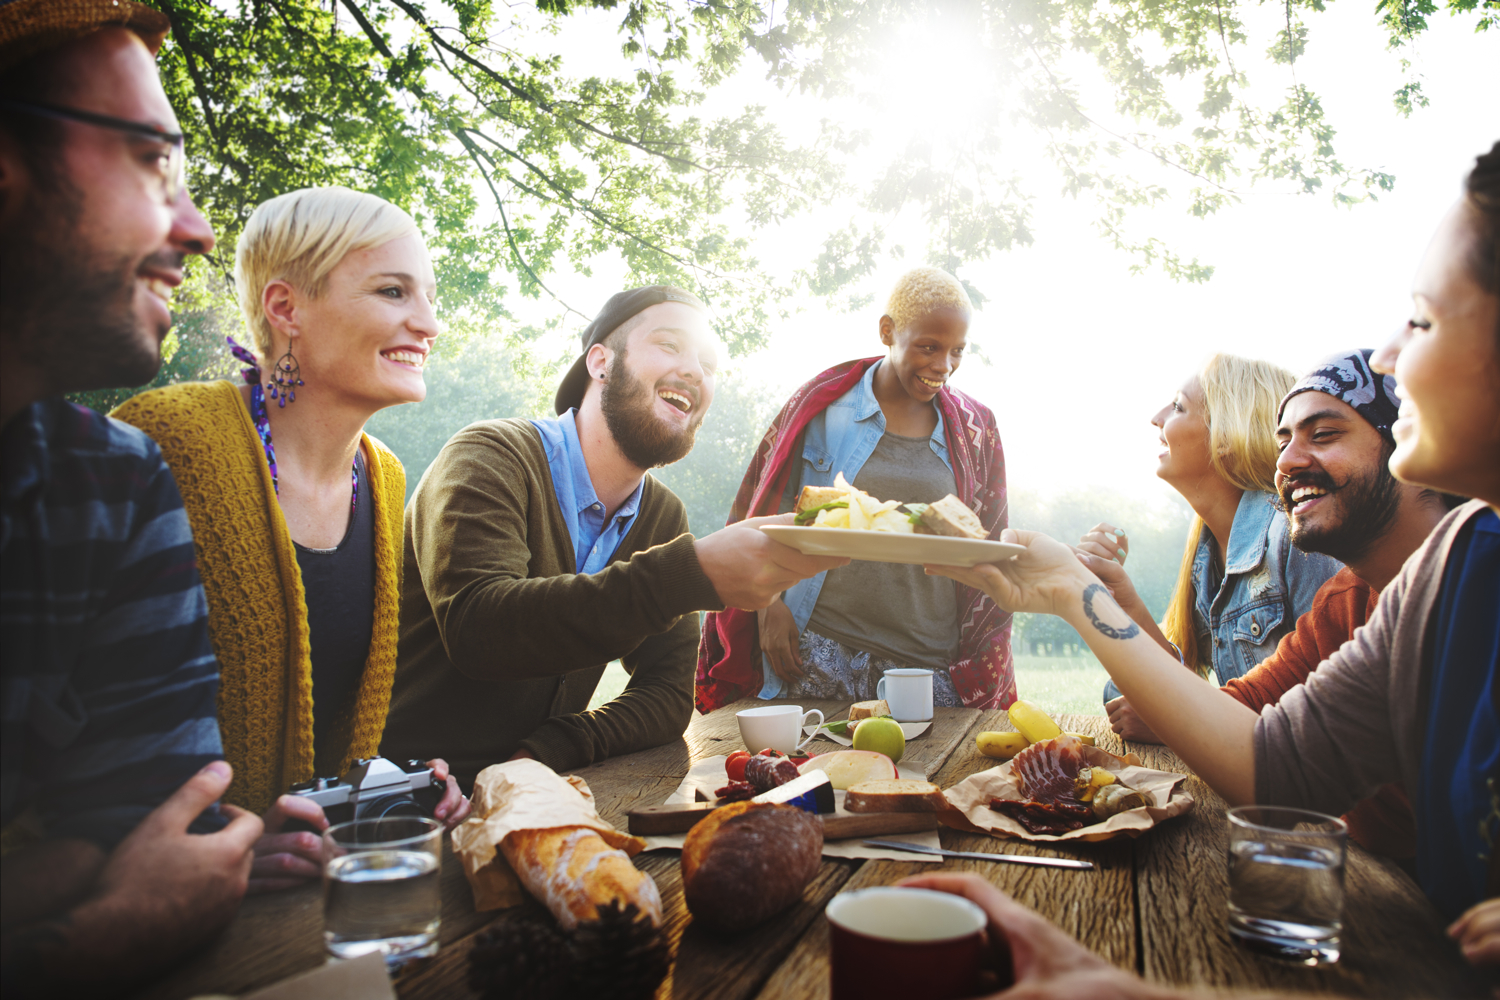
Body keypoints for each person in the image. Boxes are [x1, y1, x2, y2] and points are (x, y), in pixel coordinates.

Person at [926, 142, 1500, 965]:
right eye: (1284, 438)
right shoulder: (1445, 576)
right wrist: (1073, 593)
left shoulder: (1384, 563)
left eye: (1424, 317)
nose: (1387, 357)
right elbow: (1272, 760)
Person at [0, 4, 262, 991]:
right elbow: (134, 872)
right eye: (154, 159)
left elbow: (161, 813)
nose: (196, 230)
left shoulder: (111, 483)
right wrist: (74, 947)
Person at [112, 187, 469, 893]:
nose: (428, 322)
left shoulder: (384, 476)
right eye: (394, 291)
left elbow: (334, 731)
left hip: (306, 914)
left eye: (428, 295)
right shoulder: (163, 441)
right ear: (285, 309)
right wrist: (223, 841)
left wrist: (386, 791)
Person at [382, 285, 849, 787]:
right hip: (401, 802)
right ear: (600, 361)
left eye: (709, 364)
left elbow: (669, 696)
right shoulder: (490, 455)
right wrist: (690, 575)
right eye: (670, 345)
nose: (695, 371)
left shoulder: (663, 514)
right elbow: (479, 628)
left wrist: (551, 748)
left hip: (531, 793)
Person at [1086, 349, 1453, 861]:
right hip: (1364, 874)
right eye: (1284, 442)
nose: (1285, 461)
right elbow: (1253, 735)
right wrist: (1091, 598)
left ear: (1410, 447)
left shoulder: (1469, 583)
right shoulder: (1348, 602)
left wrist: (1080, 599)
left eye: (1323, 435)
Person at [695, 266, 1013, 713]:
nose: (943, 366)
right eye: (928, 347)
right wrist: (768, 607)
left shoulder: (977, 428)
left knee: (924, 777)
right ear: (888, 331)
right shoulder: (822, 405)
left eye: (957, 350)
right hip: (818, 647)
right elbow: (765, 510)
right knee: (813, 777)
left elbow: (988, 539)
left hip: (926, 661)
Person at [1093, 353, 1341, 713]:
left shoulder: (1296, 536)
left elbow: (1330, 704)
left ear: (1226, 435)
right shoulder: (1206, 554)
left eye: (1178, 407)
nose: (1156, 418)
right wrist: (1115, 598)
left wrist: (1180, 721)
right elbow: (1133, 692)